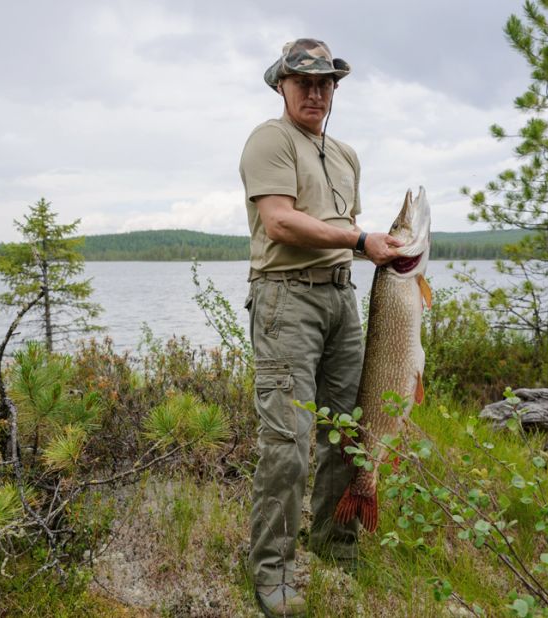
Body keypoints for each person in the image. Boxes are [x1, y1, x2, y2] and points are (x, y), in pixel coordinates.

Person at [238, 38, 402, 617]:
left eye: (325, 82)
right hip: (287, 302)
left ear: (335, 89)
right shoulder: (270, 140)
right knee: (287, 444)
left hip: (341, 301)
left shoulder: (346, 154)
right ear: (281, 85)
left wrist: (381, 252)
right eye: (302, 81)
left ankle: (335, 546)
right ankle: (272, 570)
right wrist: (361, 240)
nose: (315, 91)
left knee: (347, 431)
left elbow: (336, 232)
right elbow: (281, 223)